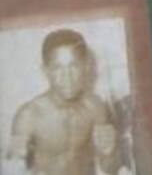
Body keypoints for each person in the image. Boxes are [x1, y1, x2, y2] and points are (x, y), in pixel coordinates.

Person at [6, 29, 120, 175]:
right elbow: (13, 170)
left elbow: (111, 169)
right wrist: (13, 161)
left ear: (86, 66)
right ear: (45, 71)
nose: (67, 77)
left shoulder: (95, 107)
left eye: (73, 66)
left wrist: (109, 152)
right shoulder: (29, 116)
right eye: (57, 68)